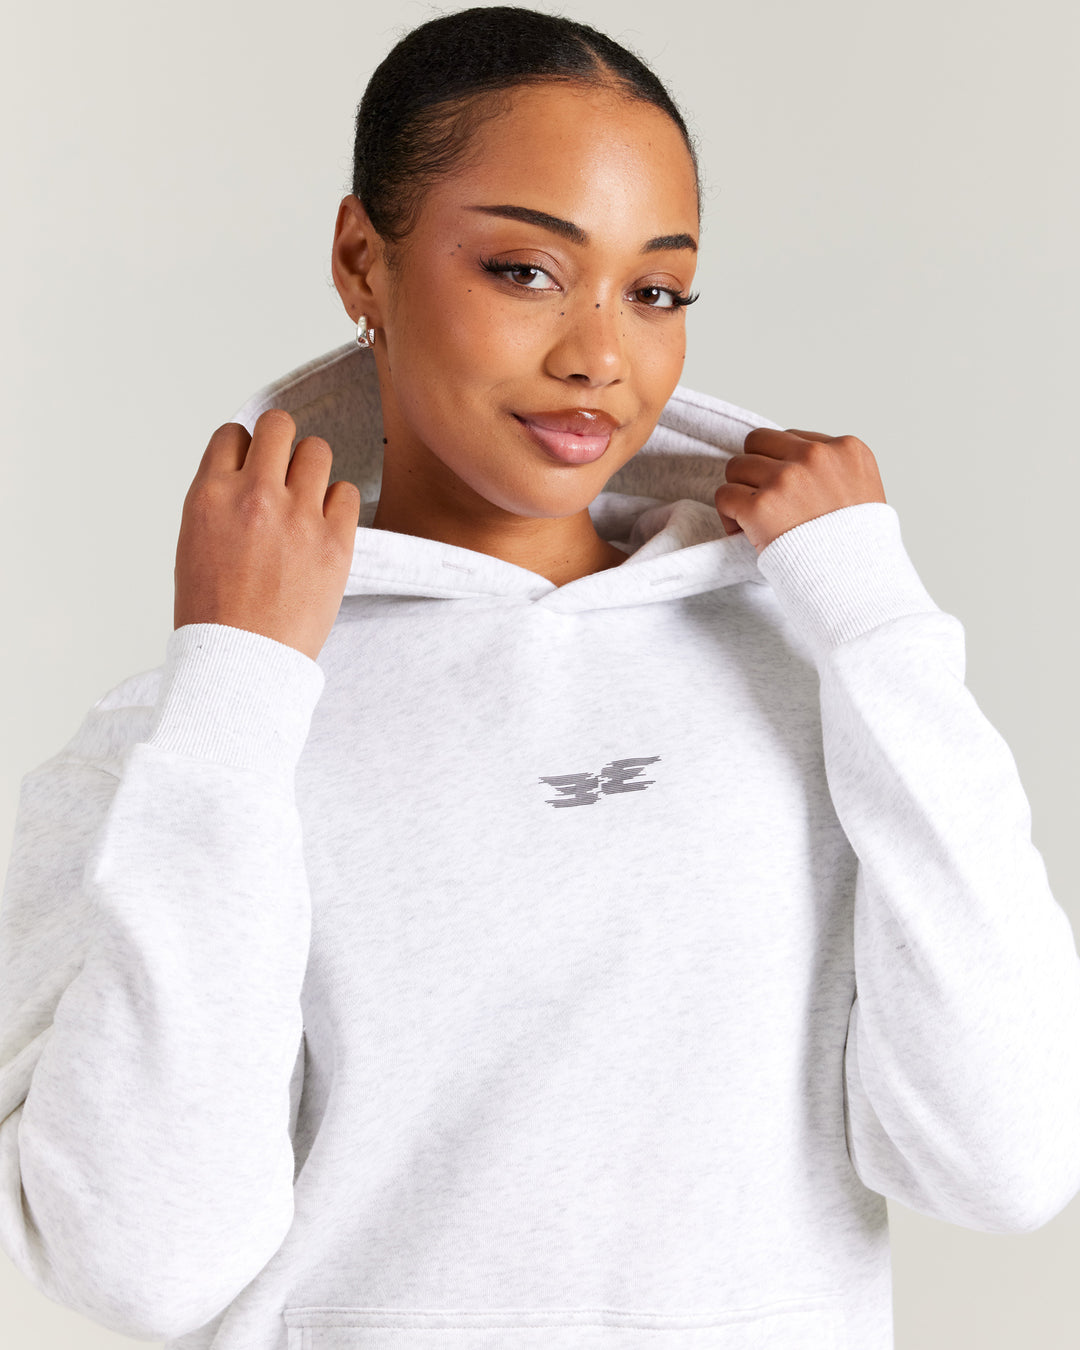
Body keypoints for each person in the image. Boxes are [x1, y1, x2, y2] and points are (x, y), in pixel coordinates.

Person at [1, 6, 1078, 1349]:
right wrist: (236, 683)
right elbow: (141, 1262)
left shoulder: (819, 662)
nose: (600, 355)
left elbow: (1006, 1160)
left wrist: (879, 628)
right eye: (525, 270)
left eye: (656, 291)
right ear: (362, 258)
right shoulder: (208, 726)